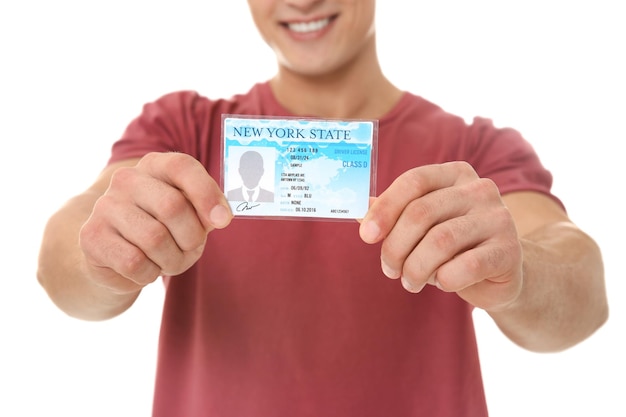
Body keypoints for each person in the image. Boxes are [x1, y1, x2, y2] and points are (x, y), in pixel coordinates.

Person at [37, 1, 608, 416]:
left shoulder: (476, 152)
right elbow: (60, 260)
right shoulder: (181, 129)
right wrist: (100, 255)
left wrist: (521, 274)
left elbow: (582, 290)